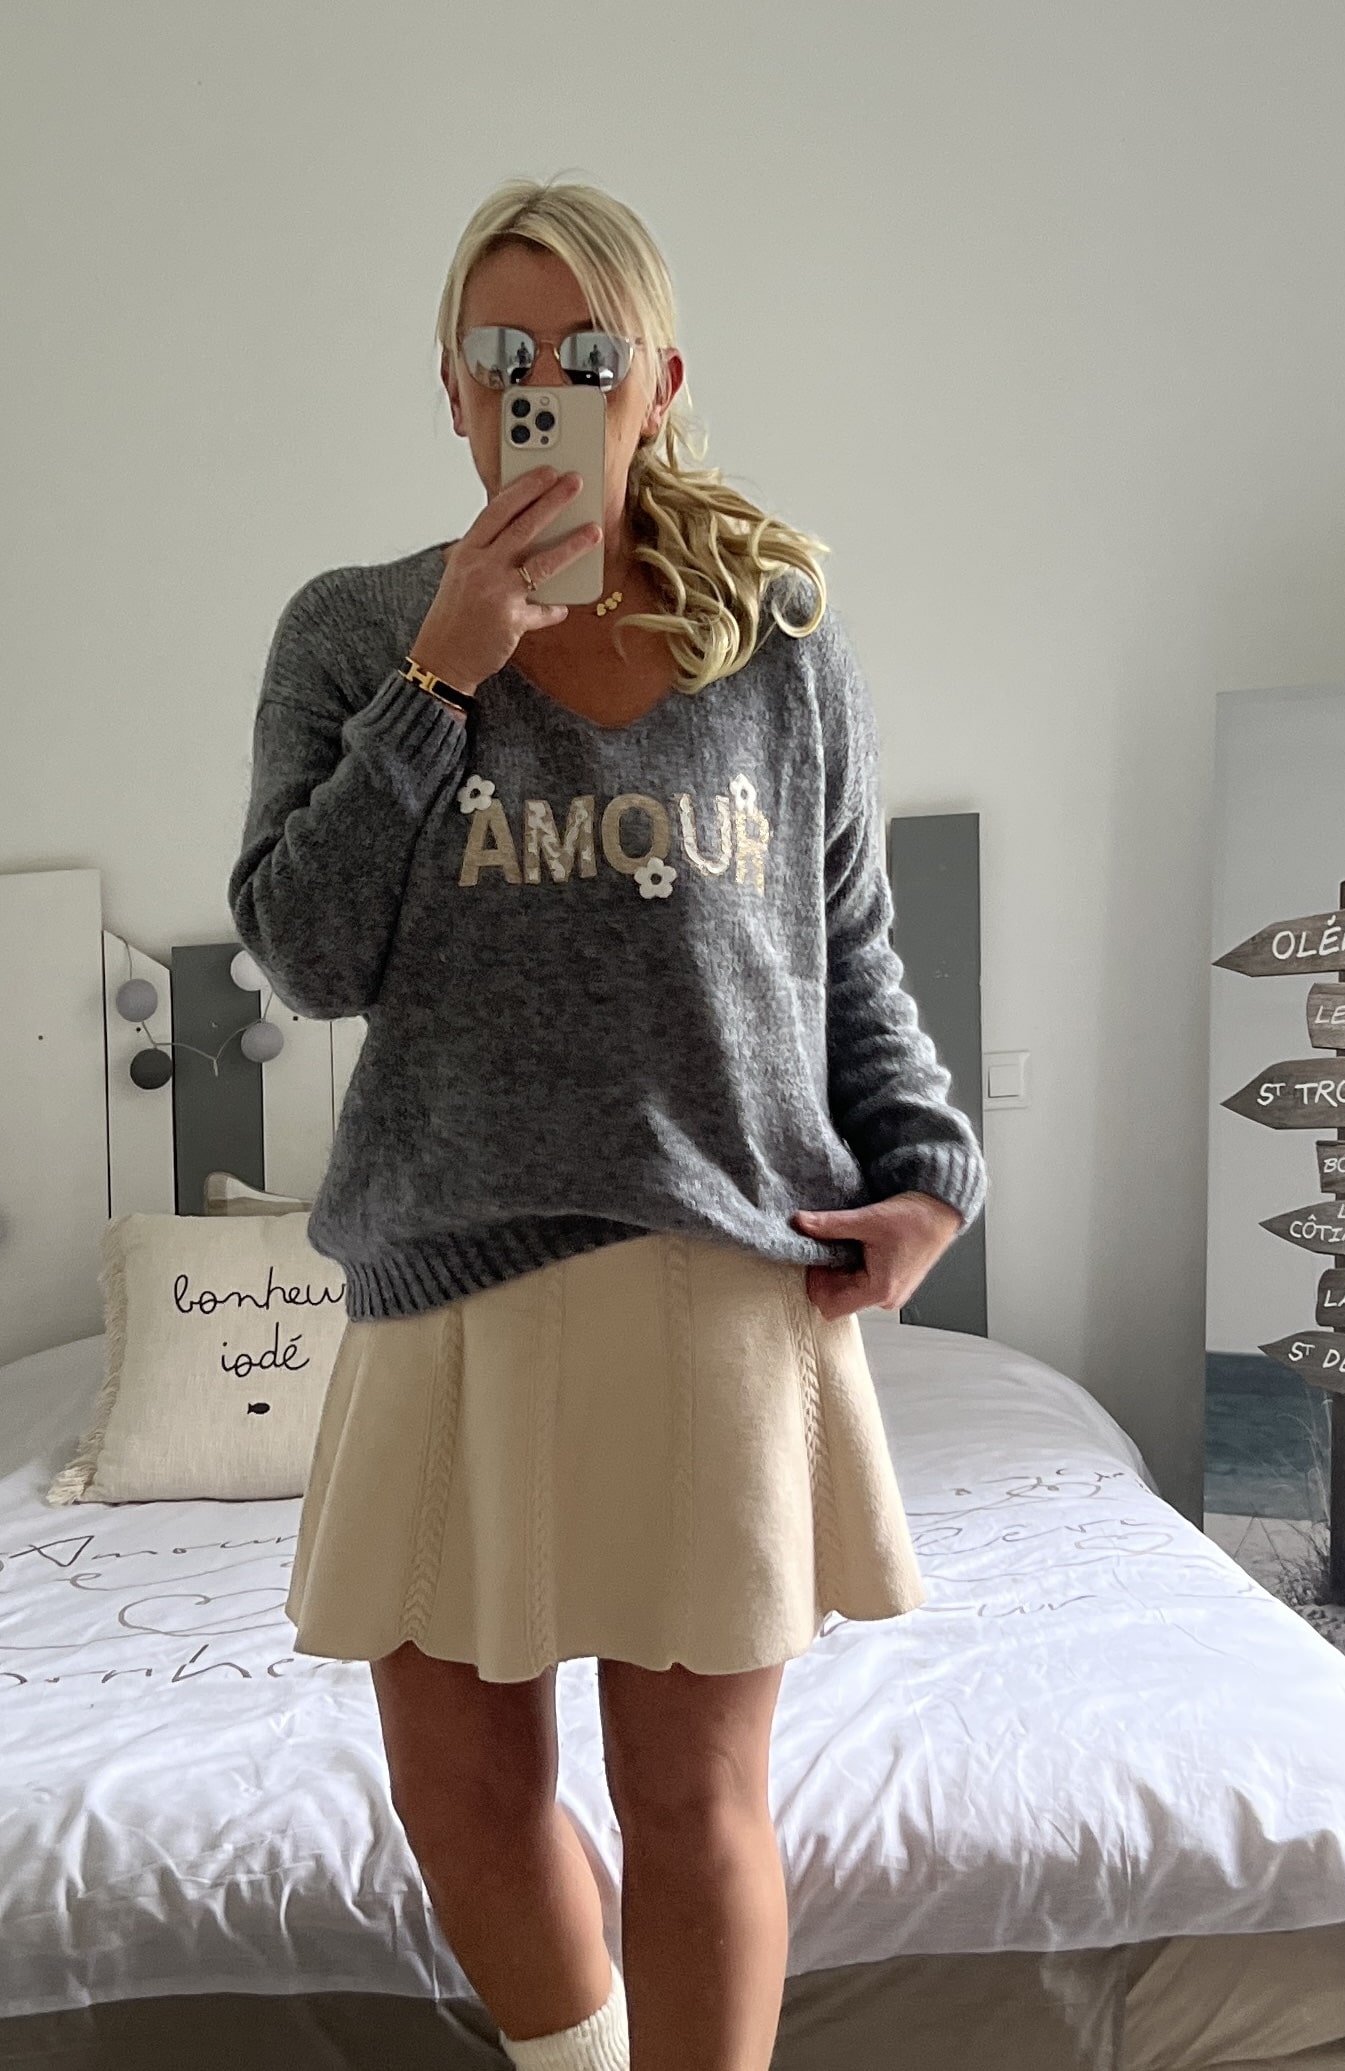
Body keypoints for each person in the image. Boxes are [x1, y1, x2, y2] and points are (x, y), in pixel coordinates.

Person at [227, 175, 986, 2071]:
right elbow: (305, 958)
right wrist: (441, 680)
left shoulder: (778, 642)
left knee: (691, 1799)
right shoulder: (353, 632)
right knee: (459, 1794)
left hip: (715, 1277)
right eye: (501, 351)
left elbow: (846, 956)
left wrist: (927, 1170)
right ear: (451, 388)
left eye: (584, 349)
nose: (539, 380)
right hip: (446, 1279)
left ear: (657, 381)